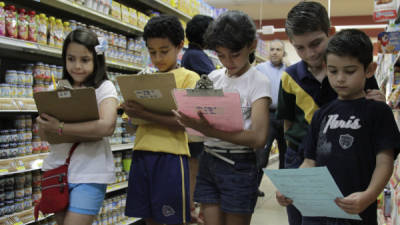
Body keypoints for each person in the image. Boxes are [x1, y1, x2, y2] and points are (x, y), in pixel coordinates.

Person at [275, 2, 385, 225]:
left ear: (330, 33)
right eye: (300, 48)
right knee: (302, 216)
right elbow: (287, 123)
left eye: (316, 43)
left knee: (349, 212)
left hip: (348, 158)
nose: (310, 53)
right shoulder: (289, 77)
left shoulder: (352, 65)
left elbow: (371, 105)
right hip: (302, 157)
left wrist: (379, 101)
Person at [174, 10, 271, 225]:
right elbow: (198, 118)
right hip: (208, 160)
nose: (228, 61)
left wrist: (210, 130)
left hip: (239, 165)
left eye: (235, 54)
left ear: (252, 45)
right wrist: (188, 120)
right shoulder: (213, 78)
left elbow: (258, 138)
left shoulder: (258, 81)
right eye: (220, 55)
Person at [121, 15, 200, 225]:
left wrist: (145, 114)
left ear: (180, 46)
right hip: (141, 155)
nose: (157, 58)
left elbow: (186, 122)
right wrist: (129, 113)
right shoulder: (144, 78)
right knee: (149, 218)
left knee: (172, 218)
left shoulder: (189, 78)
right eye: (152, 52)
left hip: (171, 157)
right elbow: (129, 127)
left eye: (164, 51)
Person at [36, 28, 119, 225]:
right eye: (71, 59)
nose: (77, 66)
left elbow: (107, 126)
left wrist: (61, 128)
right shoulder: (56, 89)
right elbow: (44, 134)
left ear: (96, 60)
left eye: (84, 60)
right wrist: (44, 125)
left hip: (90, 173)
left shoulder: (104, 88)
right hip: (57, 172)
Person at [181, 14, 215, 223]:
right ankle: (192, 209)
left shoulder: (192, 53)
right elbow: (212, 79)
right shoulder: (195, 55)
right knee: (194, 168)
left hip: (194, 116)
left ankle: (192, 208)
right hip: (195, 117)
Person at [255, 39, 288, 170]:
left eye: (278, 50)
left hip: (286, 116)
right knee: (261, 155)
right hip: (266, 115)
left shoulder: (289, 70)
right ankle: (254, 189)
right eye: (272, 49)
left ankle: (285, 190)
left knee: (285, 155)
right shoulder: (260, 68)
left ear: (284, 53)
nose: (274, 53)